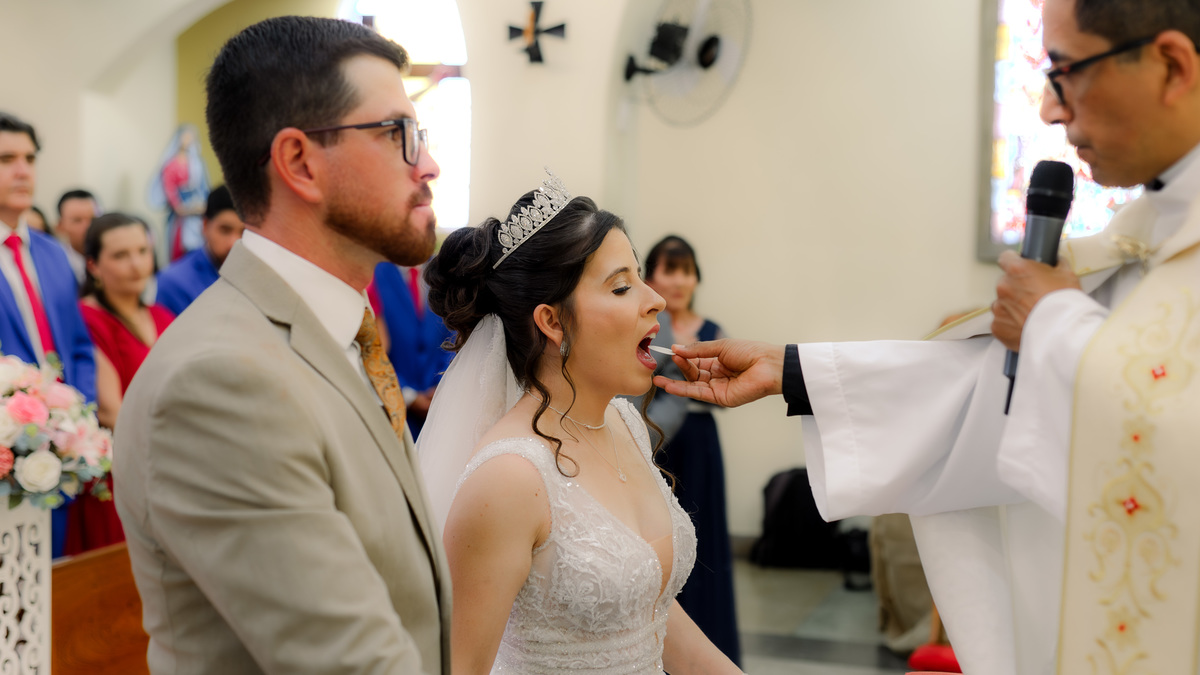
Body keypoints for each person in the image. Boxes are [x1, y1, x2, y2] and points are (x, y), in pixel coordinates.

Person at [655, 1, 1200, 673]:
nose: (1049, 110)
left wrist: (1052, 323)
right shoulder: (1140, 237)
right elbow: (987, 397)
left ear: (1172, 66)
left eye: (1064, 72)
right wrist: (789, 370)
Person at [113, 16, 450, 674]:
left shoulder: (342, 333)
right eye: (399, 135)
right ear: (299, 163)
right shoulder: (221, 382)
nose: (429, 165)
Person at [418, 172, 742, 675]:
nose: (655, 299)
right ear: (552, 321)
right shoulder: (509, 477)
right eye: (622, 286)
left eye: (640, 277)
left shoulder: (623, 423)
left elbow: (651, 616)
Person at [0, 112, 98, 558]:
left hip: (56, 454)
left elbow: (77, 346)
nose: (23, 171)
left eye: (29, 158)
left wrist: (76, 417)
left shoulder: (53, 253)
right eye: (6, 160)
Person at [642, 235, 740, 667]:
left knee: (705, 542)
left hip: (698, 445)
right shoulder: (644, 327)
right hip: (650, 442)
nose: (679, 281)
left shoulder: (712, 332)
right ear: (650, 276)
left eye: (686, 271)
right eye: (669, 270)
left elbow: (729, 391)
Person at [68, 212, 173, 555]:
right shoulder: (86, 318)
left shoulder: (162, 316)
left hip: (167, 469)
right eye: (120, 255)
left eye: (142, 251)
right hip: (119, 474)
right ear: (94, 266)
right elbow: (111, 410)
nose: (136, 264)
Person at [373, 260, 453, 437]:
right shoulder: (374, 273)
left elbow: (454, 336)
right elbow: (373, 349)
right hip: (393, 412)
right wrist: (408, 396)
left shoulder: (444, 269)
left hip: (442, 410)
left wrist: (443, 385)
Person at [155, 184, 245, 315]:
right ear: (205, 226)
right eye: (225, 230)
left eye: (244, 232)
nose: (233, 243)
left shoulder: (257, 275)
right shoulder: (173, 283)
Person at [149, 123, 209, 261]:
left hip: (197, 215)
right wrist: (180, 208)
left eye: (191, 137)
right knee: (179, 251)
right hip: (180, 218)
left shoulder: (197, 164)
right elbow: (170, 190)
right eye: (185, 136)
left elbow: (203, 187)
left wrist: (202, 206)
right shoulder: (171, 164)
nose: (188, 140)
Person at [56, 189, 100, 283]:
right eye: (77, 220)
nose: (88, 227)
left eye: (93, 219)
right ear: (61, 226)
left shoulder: (110, 260)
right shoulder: (55, 265)